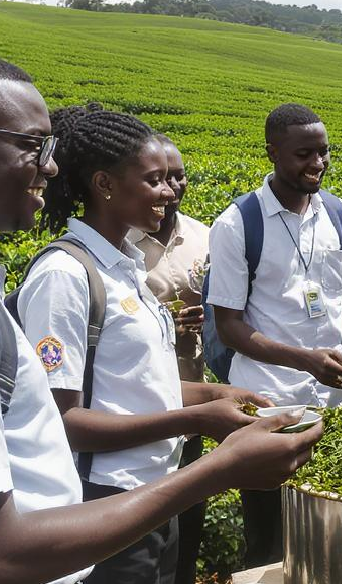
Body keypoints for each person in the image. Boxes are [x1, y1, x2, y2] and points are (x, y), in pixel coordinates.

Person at [0, 48, 322, 584]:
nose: (51, 166)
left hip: (103, 518)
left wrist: (214, 399)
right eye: (34, 146)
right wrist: (218, 467)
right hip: (97, 507)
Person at [17, 103, 276, 584]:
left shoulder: (127, 269)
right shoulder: (66, 276)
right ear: (105, 185)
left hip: (155, 492)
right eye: (153, 180)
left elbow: (137, 389)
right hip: (102, 502)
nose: (168, 192)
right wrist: (199, 418)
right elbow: (62, 420)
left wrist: (219, 395)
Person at [207, 102, 342, 568]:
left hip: (333, 400)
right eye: (305, 154)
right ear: (273, 152)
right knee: (269, 540)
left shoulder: (339, 215)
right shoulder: (237, 223)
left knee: (334, 531)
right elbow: (230, 327)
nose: (318, 164)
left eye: (324, 153)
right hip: (270, 403)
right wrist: (306, 359)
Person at [126, 133, 210, 584]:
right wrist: (166, 328)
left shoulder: (203, 236)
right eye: (159, 178)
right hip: (139, 407)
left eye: (178, 177)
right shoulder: (120, 242)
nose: (172, 187)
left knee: (185, 522)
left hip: (190, 395)